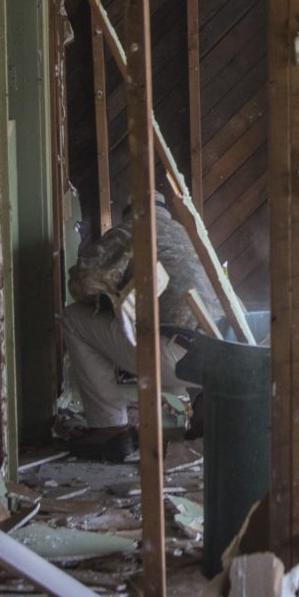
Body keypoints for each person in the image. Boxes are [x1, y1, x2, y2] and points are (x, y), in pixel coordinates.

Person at [60, 194, 218, 461]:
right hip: (221, 357)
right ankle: (205, 420)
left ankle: (109, 429)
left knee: (73, 317)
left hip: (172, 358)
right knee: (192, 320)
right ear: (165, 212)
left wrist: (109, 297)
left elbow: (83, 285)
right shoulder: (192, 237)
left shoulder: (131, 231)